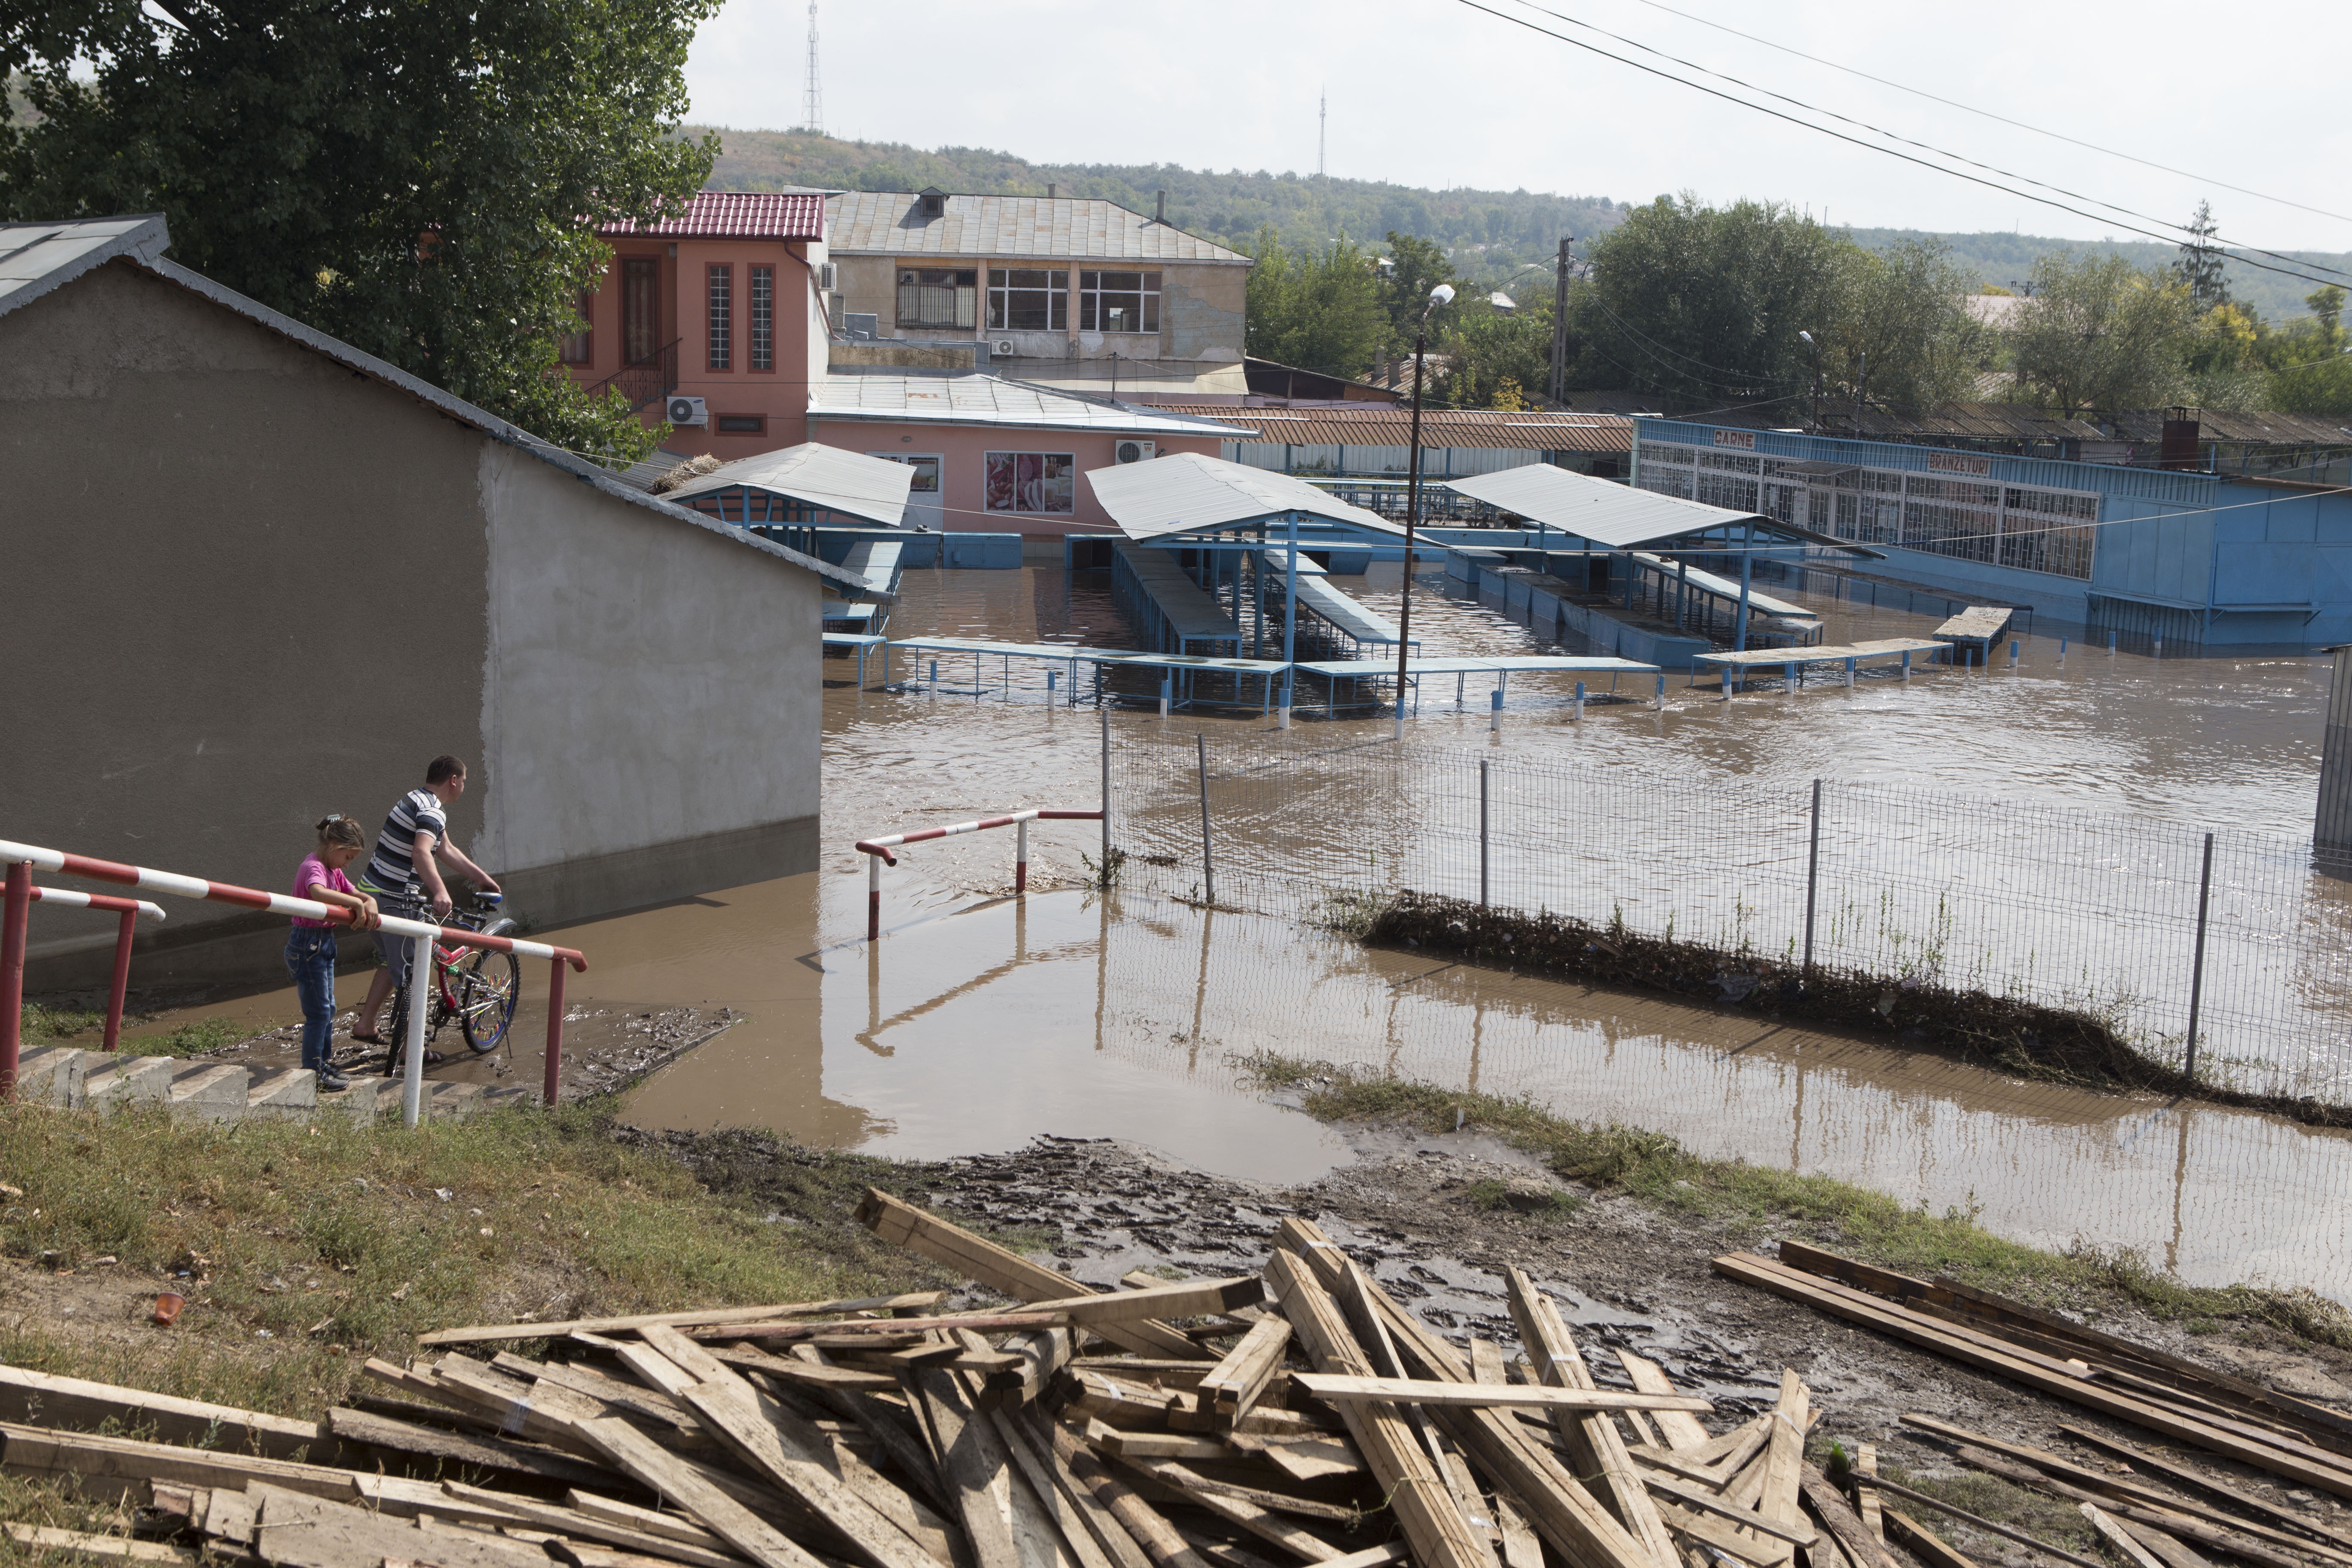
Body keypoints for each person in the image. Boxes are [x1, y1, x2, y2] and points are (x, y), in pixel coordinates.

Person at [350, 755, 501, 1056]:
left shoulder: (416, 799)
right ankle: (411, 1049)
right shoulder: (432, 811)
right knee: (414, 972)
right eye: (465, 781)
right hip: (395, 900)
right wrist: (441, 891)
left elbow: (446, 849)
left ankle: (366, 1025)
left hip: (370, 894)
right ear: (454, 781)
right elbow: (422, 853)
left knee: (391, 961)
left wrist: (484, 878)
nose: (464, 788)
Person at [288, 815, 380, 1091]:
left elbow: (355, 891)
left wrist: (370, 900)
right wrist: (355, 902)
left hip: (323, 943)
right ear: (334, 845)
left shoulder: (334, 871)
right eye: (348, 856)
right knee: (318, 1012)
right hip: (307, 945)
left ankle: (323, 1062)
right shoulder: (313, 867)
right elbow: (317, 892)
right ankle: (313, 1070)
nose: (347, 864)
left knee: (329, 1008)